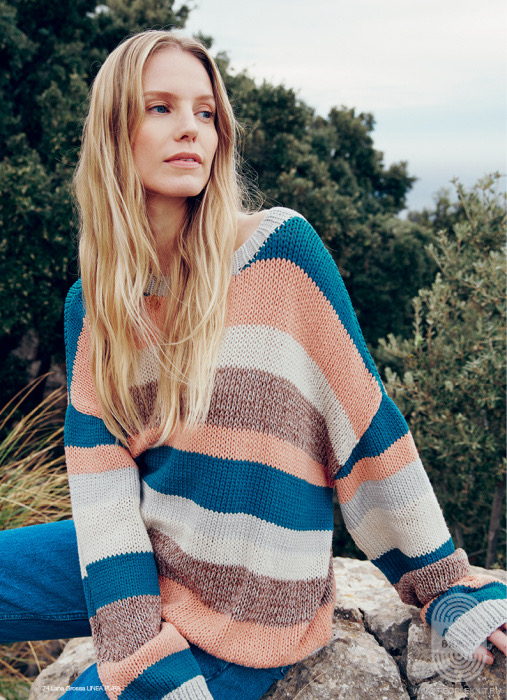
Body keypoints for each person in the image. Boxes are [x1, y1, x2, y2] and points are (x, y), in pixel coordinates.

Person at [0, 29, 506, 700]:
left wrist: (443, 585)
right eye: (160, 108)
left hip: (253, 599)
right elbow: (104, 493)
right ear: (114, 131)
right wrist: (136, 646)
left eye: (206, 112)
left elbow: (366, 425)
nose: (191, 128)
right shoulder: (94, 307)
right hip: (150, 552)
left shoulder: (280, 253)